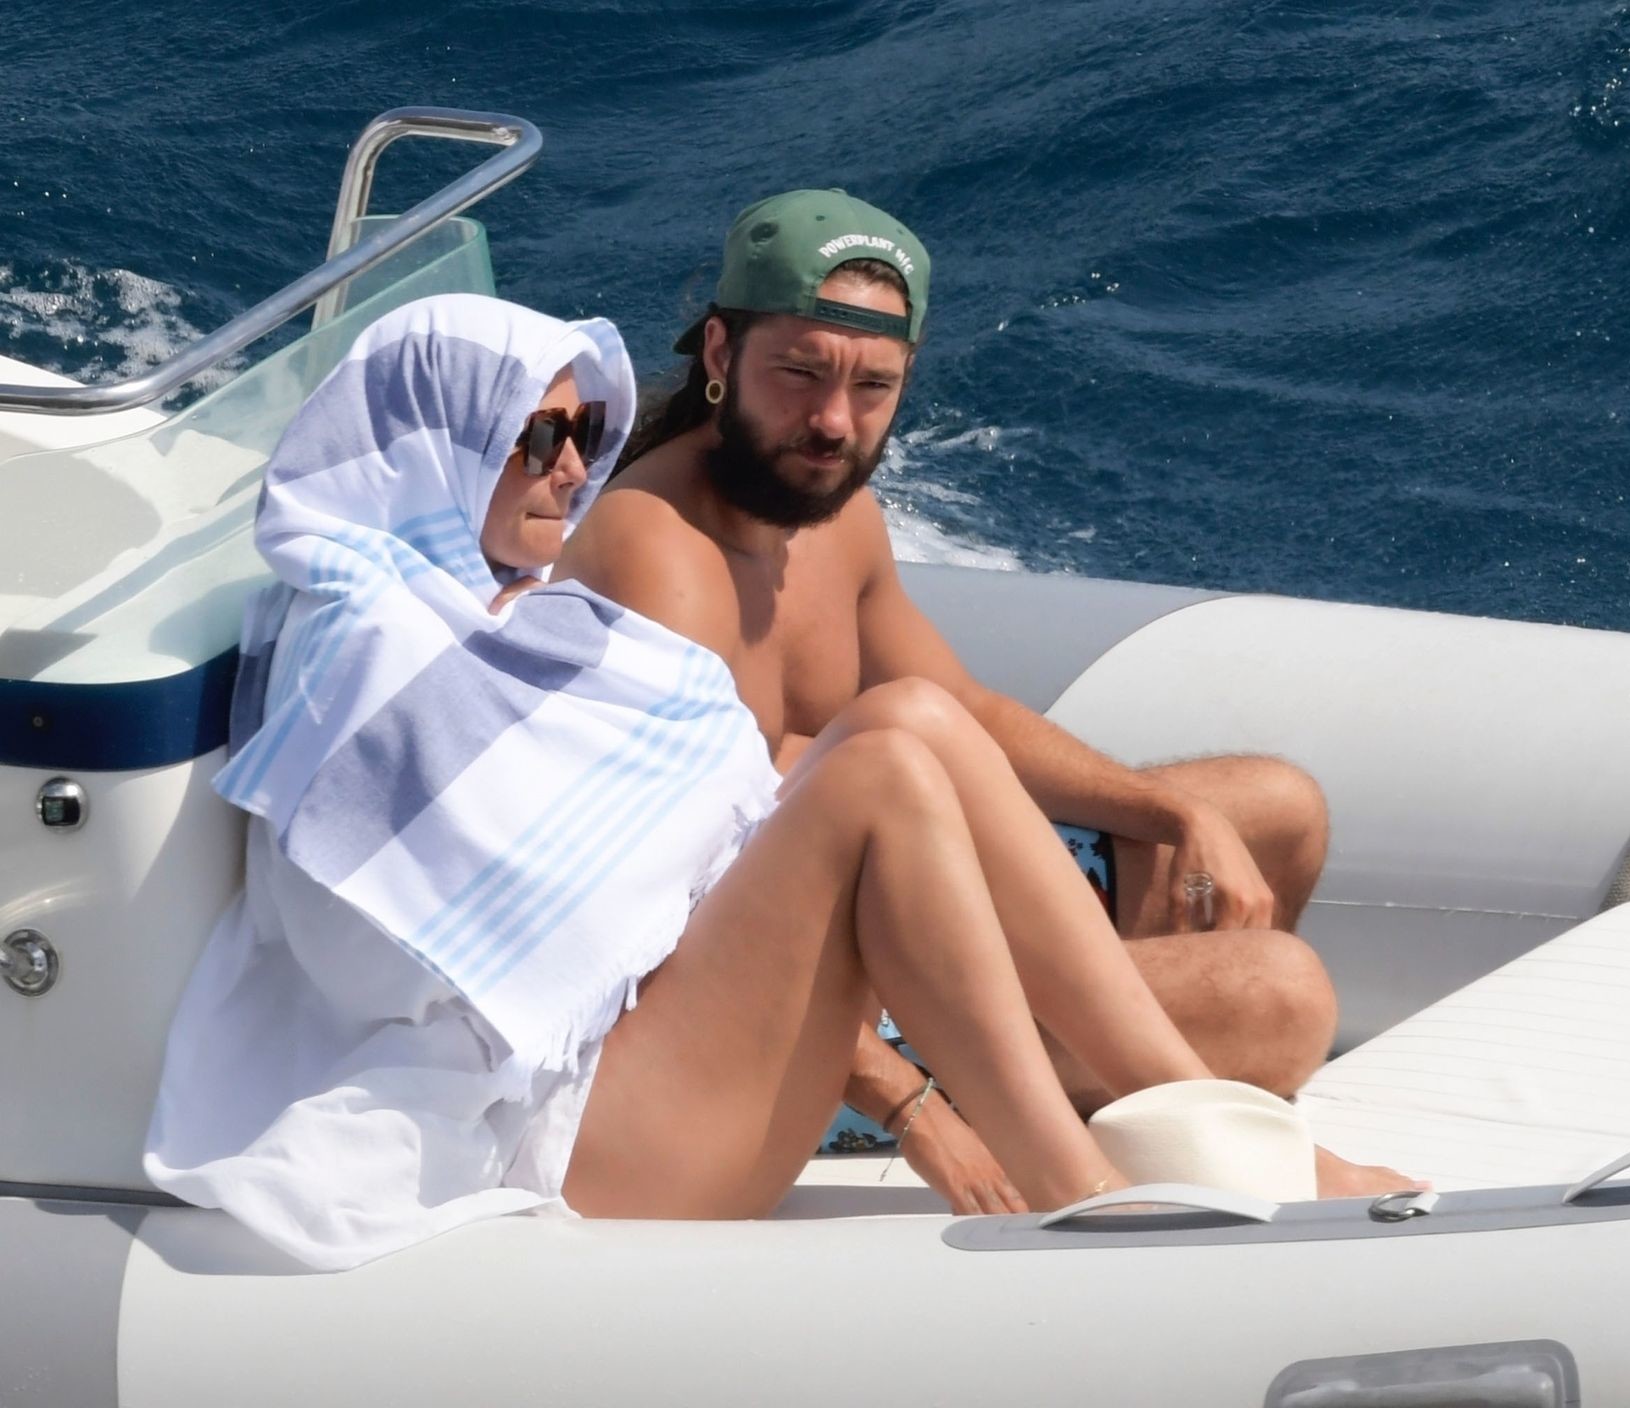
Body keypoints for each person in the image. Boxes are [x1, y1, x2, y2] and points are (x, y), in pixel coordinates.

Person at [145, 293, 1342, 1270]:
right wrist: (906, 1100)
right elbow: (374, 960)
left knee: (911, 722)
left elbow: (674, 817)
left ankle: (1204, 1130)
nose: (575, 468)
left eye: (582, 431)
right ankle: (1076, 1187)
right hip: (564, 1137)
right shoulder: (375, 659)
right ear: (435, 445)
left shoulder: (488, 615)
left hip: (639, 1067)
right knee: (888, 763)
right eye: (538, 438)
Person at [555, 191, 1410, 1202]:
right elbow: (681, 891)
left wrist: (1172, 813)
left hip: (917, 882)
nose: (833, 422)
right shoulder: (654, 550)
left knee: (1274, 811)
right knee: (1282, 997)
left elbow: (960, 702)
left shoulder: (836, 515)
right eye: (800, 373)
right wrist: (910, 1102)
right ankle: (1163, 1110)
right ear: (719, 353)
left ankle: (1131, 1085)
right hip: (821, 994)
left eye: (872, 385)